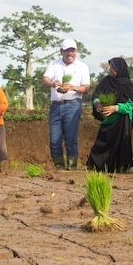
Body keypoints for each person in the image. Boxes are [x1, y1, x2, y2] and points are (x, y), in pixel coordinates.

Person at [41, 38, 91, 170]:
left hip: (73, 105)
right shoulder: (54, 64)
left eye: (73, 51)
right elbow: (45, 80)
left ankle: (72, 167)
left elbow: (86, 88)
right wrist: (53, 83)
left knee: (70, 138)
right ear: (61, 51)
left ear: (76, 51)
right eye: (67, 51)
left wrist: (73, 87)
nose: (71, 53)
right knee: (54, 139)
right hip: (56, 105)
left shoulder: (82, 66)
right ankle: (59, 167)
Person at [86, 57, 133, 172]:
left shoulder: (127, 84)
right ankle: (97, 165)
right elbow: (96, 95)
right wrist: (97, 103)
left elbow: (130, 105)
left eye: (113, 67)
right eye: (110, 67)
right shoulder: (106, 81)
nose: (110, 70)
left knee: (120, 144)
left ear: (119, 69)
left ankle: (119, 167)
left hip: (122, 121)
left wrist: (115, 108)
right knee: (102, 141)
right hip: (107, 118)